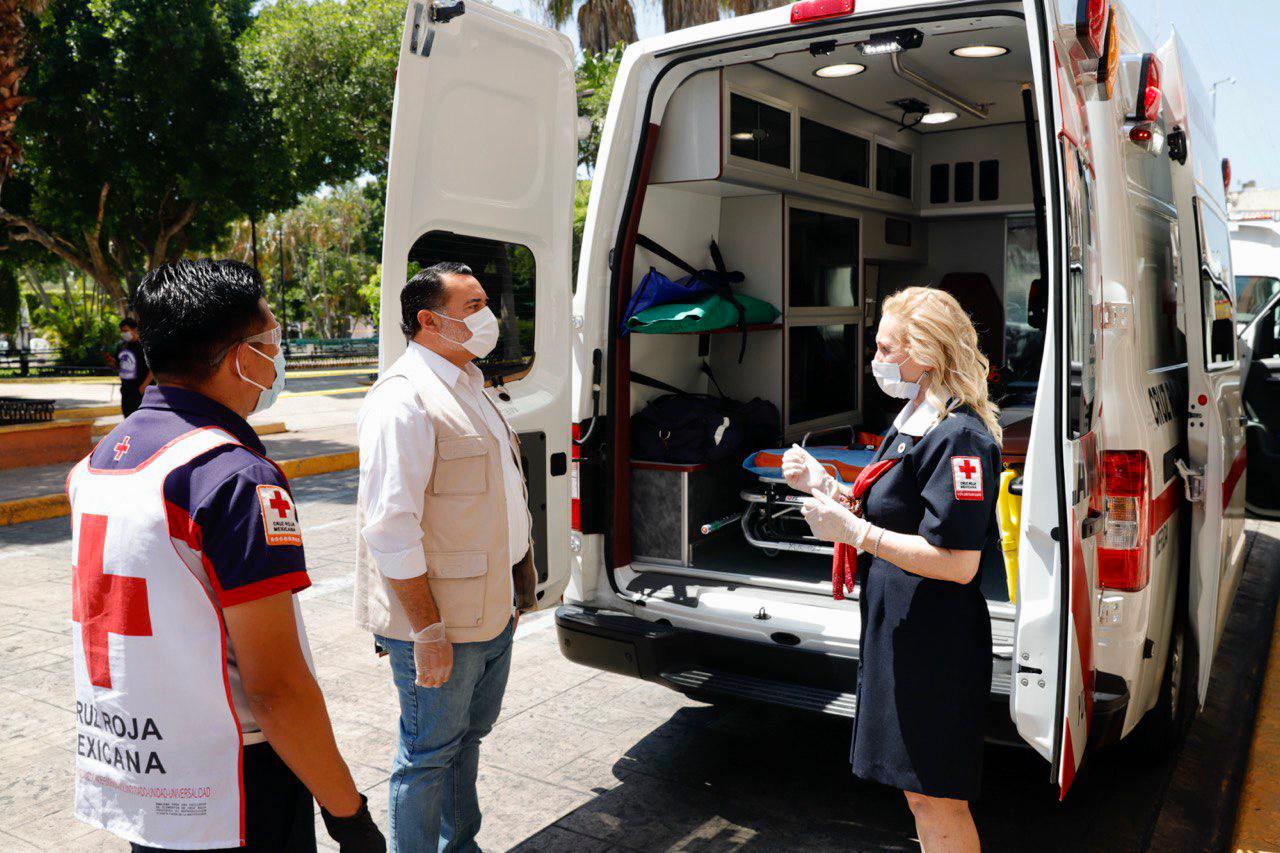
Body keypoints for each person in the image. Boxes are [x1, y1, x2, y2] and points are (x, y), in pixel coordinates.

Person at [68, 259, 384, 852]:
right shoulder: (235, 478)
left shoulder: (99, 460)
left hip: (144, 775)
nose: (277, 358)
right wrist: (350, 817)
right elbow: (276, 690)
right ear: (241, 356)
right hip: (234, 785)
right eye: (271, 343)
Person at [783, 286, 1002, 853]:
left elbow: (957, 563)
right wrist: (828, 486)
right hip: (901, 633)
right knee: (916, 792)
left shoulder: (962, 438)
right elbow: (896, 507)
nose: (876, 361)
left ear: (925, 355)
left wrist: (858, 535)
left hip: (937, 642)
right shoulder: (915, 419)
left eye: (886, 349)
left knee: (935, 794)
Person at [354, 261, 539, 852]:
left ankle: (458, 846)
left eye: (488, 304)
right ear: (429, 320)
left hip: (492, 610)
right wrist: (426, 629)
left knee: (468, 740)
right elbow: (389, 526)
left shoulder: (473, 386)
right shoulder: (404, 398)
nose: (490, 318)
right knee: (427, 756)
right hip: (440, 625)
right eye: (475, 307)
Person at [106, 317, 152, 416]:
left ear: (134, 330)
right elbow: (120, 368)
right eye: (121, 331)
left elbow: (153, 368)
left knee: (141, 419)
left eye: (125, 331)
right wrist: (113, 364)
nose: (123, 334)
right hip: (126, 389)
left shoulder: (144, 346)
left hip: (141, 390)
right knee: (127, 416)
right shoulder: (121, 346)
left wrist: (144, 386)